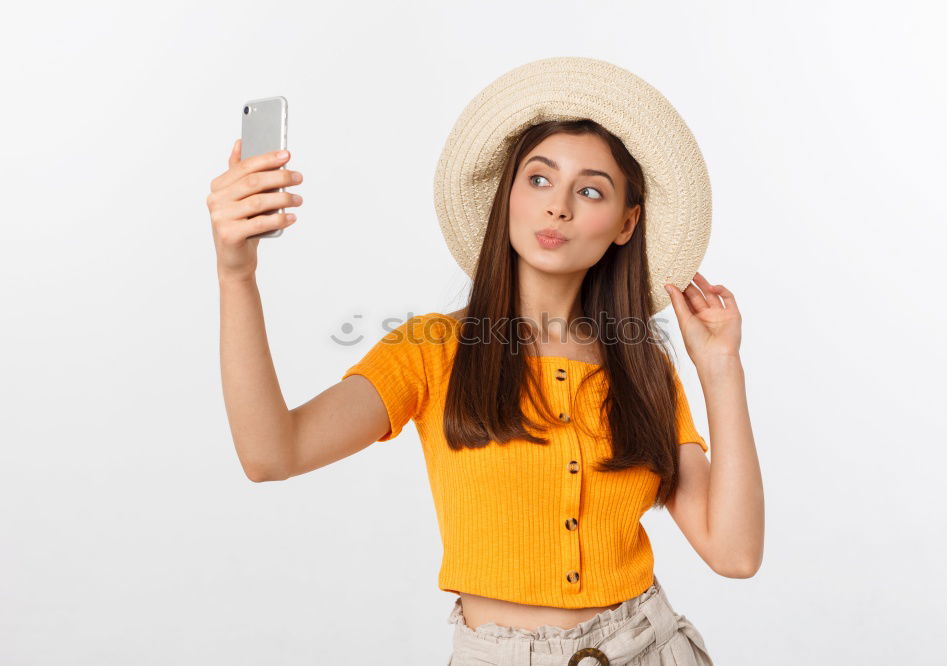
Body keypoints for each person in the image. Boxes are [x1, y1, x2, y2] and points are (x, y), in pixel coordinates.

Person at [207, 57, 763, 665]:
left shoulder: (643, 370)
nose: (560, 208)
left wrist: (720, 368)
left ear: (626, 222)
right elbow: (270, 454)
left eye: (591, 190)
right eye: (540, 179)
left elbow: (734, 553)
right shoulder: (431, 352)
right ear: (506, 197)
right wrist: (237, 275)